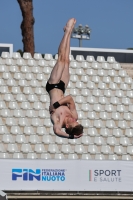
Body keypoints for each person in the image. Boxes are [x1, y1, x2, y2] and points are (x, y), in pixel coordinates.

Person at [46, 18, 83, 139]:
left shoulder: (58, 120)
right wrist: (56, 105)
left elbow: (57, 131)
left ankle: (67, 31)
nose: (74, 119)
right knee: (67, 60)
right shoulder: (74, 115)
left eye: (73, 121)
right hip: (62, 88)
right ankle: (69, 32)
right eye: (76, 120)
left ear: (67, 126)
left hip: (53, 85)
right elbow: (70, 99)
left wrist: (70, 137)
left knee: (61, 60)